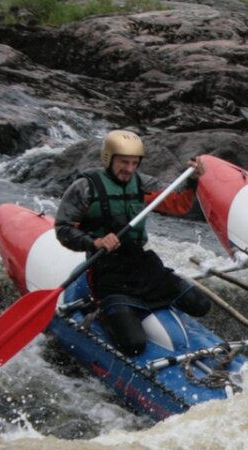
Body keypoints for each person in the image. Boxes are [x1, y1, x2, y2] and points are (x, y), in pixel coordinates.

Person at [54, 130, 210, 357]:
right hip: (106, 271)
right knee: (134, 345)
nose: (128, 169)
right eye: (123, 162)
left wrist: (192, 180)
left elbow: (178, 204)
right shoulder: (85, 187)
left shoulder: (142, 184)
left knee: (201, 305)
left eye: (134, 163)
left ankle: (154, 315)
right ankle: (103, 314)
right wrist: (95, 241)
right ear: (108, 158)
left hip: (142, 265)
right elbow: (63, 229)